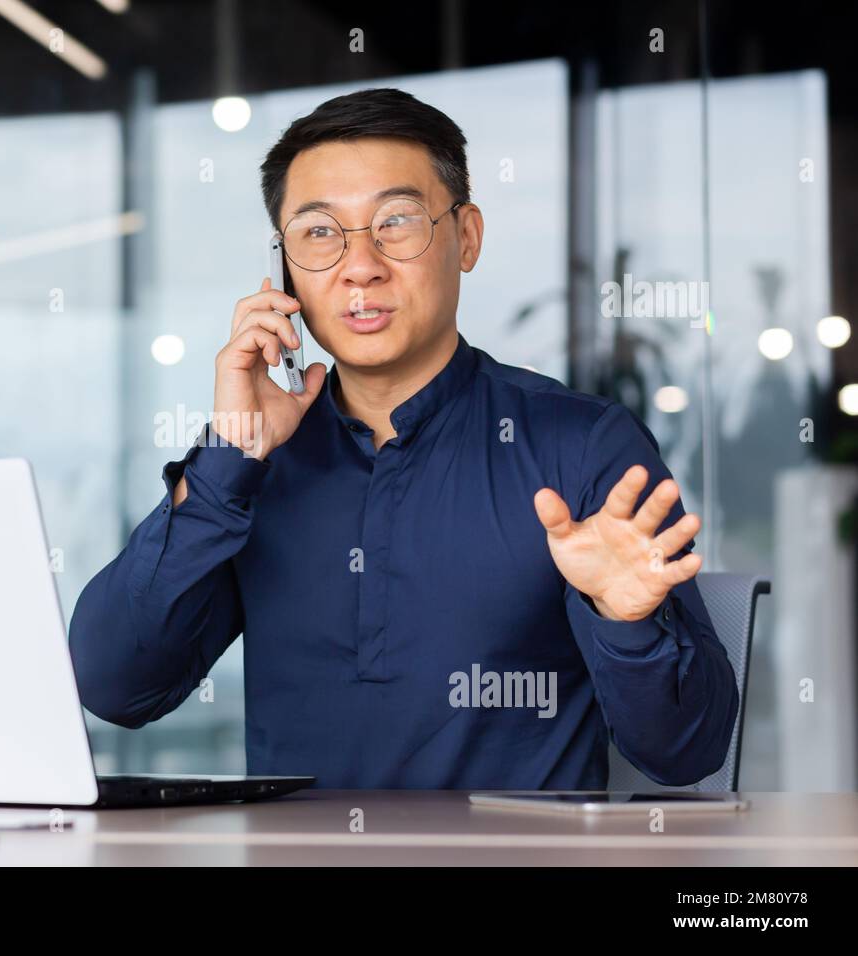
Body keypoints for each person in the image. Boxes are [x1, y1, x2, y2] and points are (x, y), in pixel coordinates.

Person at [68, 87, 737, 789]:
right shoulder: (256, 465)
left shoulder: (582, 447)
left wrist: (626, 620)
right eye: (320, 232)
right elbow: (116, 686)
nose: (361, 265)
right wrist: (228, 458)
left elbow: (687, 753)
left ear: (467, 236)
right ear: (283, 264)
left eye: (397, 222)